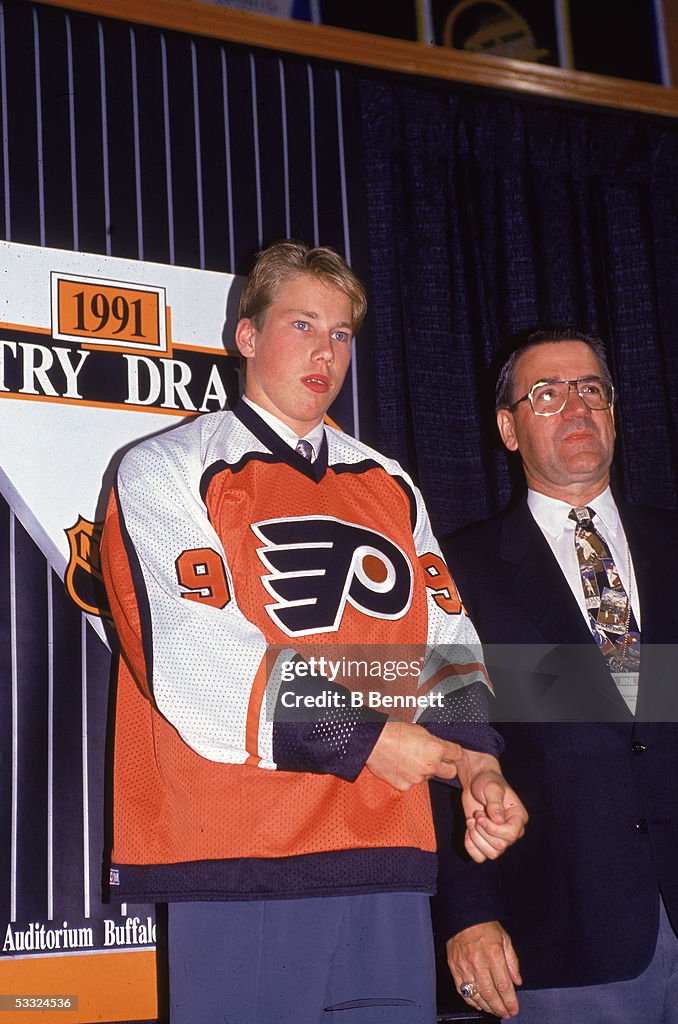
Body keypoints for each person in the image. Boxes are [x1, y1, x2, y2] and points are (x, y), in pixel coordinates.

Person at [101, 239, 526, 1024]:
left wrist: (475, 763)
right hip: (243, 856)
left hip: (388, 852)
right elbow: (201, 661)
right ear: (248, 336)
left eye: (341, 334)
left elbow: (448, 643)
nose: (325, 352)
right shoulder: (162, 467)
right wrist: (368, 738)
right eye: (302, 325)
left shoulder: (390, 481)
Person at [434, 328, 678, 1022]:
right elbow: (441, 751)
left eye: (591, 389)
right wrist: (467, 914)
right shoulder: (455, 572)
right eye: (547, 394)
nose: (576, 407)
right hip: (561, 942)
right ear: (508, 428)